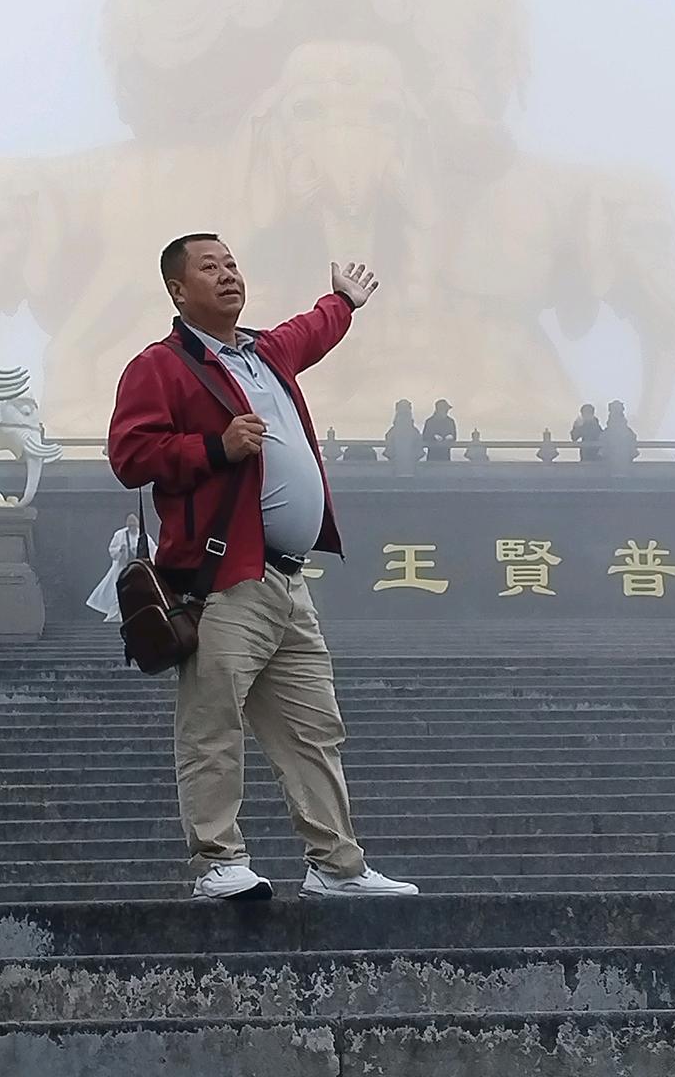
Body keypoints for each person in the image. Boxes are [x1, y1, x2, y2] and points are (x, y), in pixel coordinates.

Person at [108, 233, 418, 901]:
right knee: (213, 721)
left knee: (314, 726)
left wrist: (342, 301)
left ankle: (336, 866)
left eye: (232, 265)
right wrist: (214, 449)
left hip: (286, 579)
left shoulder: (264, 354)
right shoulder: (160, 366)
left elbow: (310, 332)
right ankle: (218, 862)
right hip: (223, 578)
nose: (227, 276)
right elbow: (130, 455)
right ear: (177, 290)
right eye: (209, 268)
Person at [85, 514, 155, 622]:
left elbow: (152, 550)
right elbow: (112, 549)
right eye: (130, 526)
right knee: (118, 593)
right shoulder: (120, 535)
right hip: (122, 568)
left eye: (134, 526)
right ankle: (115, 617)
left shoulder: (143, 535)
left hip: (137, 569)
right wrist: (120, 550)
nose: (132, 528)